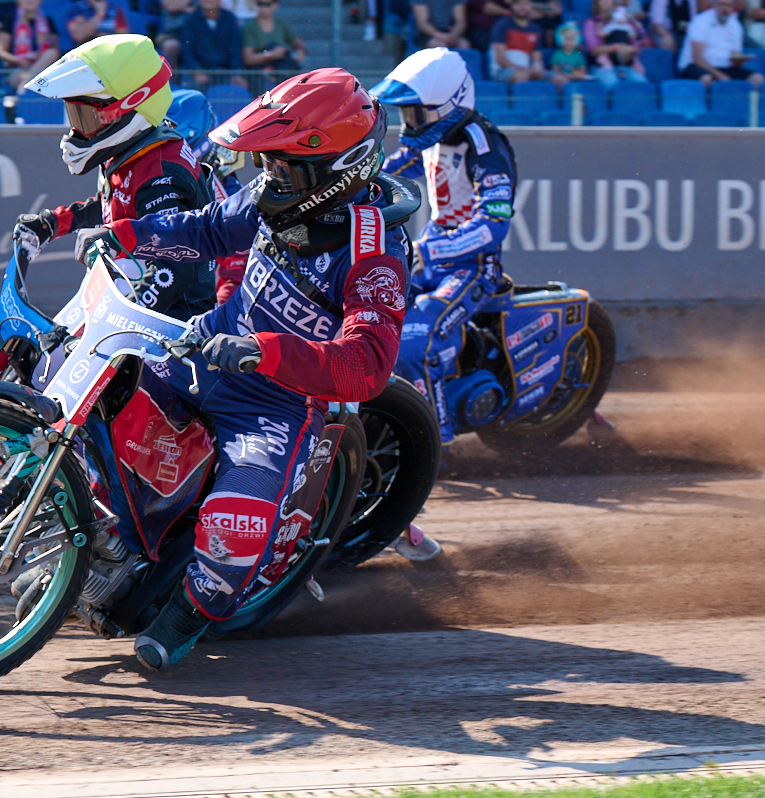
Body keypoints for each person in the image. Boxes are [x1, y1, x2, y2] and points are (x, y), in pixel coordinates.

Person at [80, 68, 414, 670]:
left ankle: (188, 615)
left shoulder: (376, 254)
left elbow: (365, 368)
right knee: (93, 392)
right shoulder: (267, 199)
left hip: (278, 403)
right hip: (202, 349)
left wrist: (267, 351)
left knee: (236, 524)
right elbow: (204, 229)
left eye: (281, 165)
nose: (268, 177)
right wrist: (109, 231)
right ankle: (100, 538)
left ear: (335, 170)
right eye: (264, 163)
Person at [373, 48, 517, 458]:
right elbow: (395, 170)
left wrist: (437, 248)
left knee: (418, 343)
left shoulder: (485, 146)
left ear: (449, 105)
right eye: (407, 114)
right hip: (430, 258)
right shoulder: (435, 136)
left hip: (473, 269)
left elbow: (495, 223)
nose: (410, 124)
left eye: (417, 114)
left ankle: (432, 447)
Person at [13, 34, 216, 321]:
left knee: (60, 356)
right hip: (124, 283)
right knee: (48, 349)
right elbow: (115, 202)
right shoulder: (134, 149)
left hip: (169, 322)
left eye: (86, 118)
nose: (76, 131)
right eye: (74, 116)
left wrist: (121, 320)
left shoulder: (161, 171)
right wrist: (53, 222)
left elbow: (172, 267)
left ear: (129, 107)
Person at [166, 88, 249, 305]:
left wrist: (210, 323)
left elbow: (236, 275)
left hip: (192, 313)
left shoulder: (226, 196)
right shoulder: (152, 173)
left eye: (169, 144)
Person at [677, 0, 765, 88]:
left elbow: (735, 56)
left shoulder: (735, 25)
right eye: (722, 4)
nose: (725, 9)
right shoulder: (700, 21)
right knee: (707, 79)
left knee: (757, 78)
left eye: (729, 5)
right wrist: (720, 76)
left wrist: (740, 60)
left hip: (724, 67)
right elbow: (697, 59)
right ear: (714, 5)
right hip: (696, 67)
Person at [180, 0, 249, 89]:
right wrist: (196, 72)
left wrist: (236, 74)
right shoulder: (190, 20)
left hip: (224, 72)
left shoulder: (230, 18)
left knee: (240, 88)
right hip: (198, 72)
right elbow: (187, 51)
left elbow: (235, 49)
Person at [240, 0, 307, 89]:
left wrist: (300, 51)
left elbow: (298, 43)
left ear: (275, 5)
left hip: (281, 70)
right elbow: (248, 59)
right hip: (259, 74)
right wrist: (271, 55)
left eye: (267, 4)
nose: (263, 8)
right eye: (260, 4)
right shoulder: (250, 26)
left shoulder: (281, 25)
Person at [0, 0, 58, 91]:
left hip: (43, 69)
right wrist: (19, 60)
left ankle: (24, 87)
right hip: (17, 69)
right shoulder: (10, 19)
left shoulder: (48, 21)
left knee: (52, 53)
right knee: (21, 75)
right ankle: (26, 87)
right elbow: (0, 51)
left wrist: (39, 56)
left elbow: (55, 50)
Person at [584, 0, 649, 88]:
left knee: (642, 85)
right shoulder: (592, 23)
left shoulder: (624, 21)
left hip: (625, 65)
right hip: (602, 66)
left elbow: (636, 45)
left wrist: (629, 49)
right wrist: (616, 48)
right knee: (613, 85)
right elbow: (593, 49)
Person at [489, 0, 548, 83]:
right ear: (512, 6)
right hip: (502, 70)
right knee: (522, 77)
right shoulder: (501, 25)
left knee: (559, 79)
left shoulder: (536, 29)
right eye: (518, 4)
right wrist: (524, 69)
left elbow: (536, 58)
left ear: (531, 6)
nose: (522, 7)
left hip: (526, 69)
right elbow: (501, 60)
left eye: (526, 4)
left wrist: (537, 70)